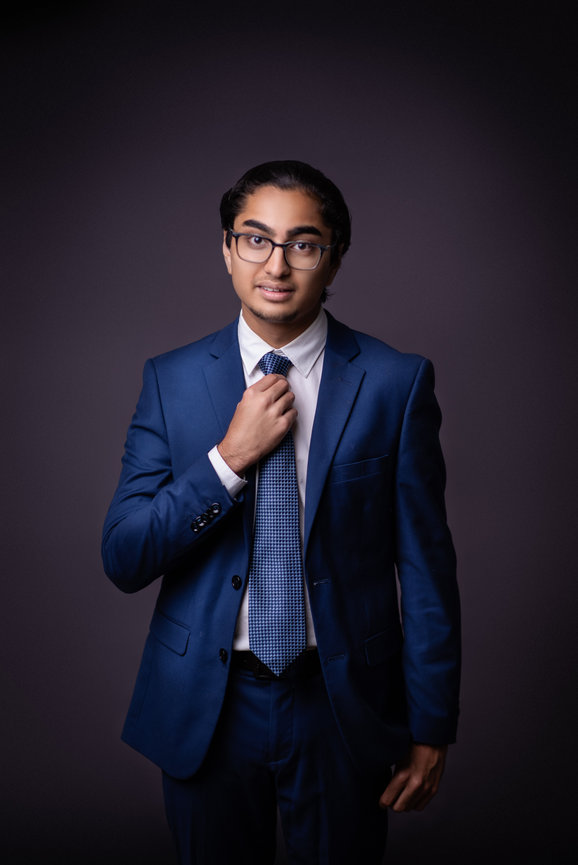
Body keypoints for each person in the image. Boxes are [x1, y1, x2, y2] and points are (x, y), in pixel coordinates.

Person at [102, 160, 461, 865]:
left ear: (334, 256)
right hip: (207, 703)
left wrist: (432, 724)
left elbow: (426, 570)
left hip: (340, 702)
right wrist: (227, 462)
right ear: (227, 251)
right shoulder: (169, 380)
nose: (277, 263)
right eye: (255, 239)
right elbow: (124, 554)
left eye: (303, 243)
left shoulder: (395, 381)